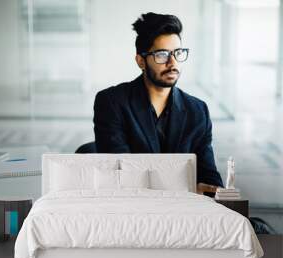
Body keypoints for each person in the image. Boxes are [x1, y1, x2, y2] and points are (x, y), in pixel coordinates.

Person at [93, 12, 223, 193]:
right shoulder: (112, 102)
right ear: (141, 61)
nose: (172, 62)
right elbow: (120, 174)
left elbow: (208, 174)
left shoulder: (197, 110)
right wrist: (188, 189)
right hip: (132, 210)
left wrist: (213, 190)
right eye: (162, 54)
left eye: (178, 53)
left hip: (184, 212)